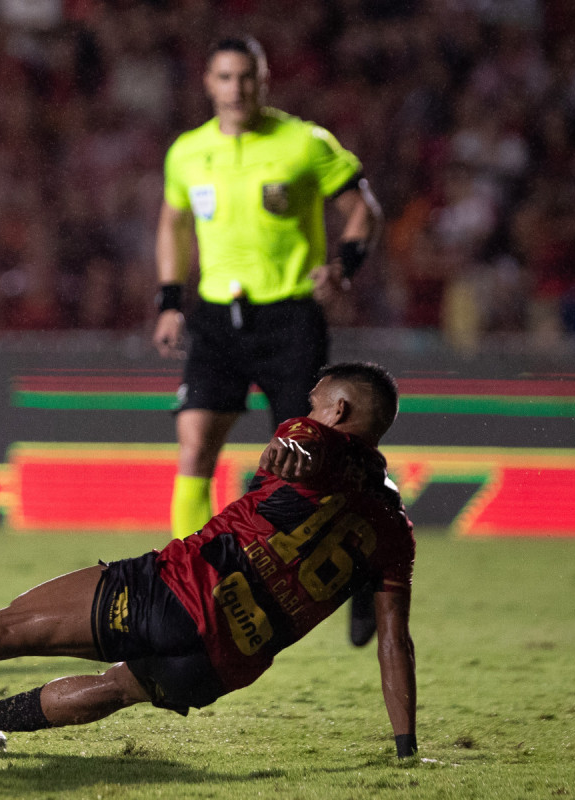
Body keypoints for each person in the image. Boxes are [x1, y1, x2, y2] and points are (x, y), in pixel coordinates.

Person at [0, 362, 418, 763]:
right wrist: (404, 745)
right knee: (121, 688)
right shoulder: (392, 531)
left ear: (337, 409)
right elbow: (394, 640)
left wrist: (291, 449)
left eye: (313, 403)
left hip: (176, 592)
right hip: (226, 662)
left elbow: (297, 447)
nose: (302, 412)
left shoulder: (311, 437)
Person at [151, 36, 384, 645]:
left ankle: (364, 572)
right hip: (215, 318)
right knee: (195, 444)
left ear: (265, 80)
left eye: (247, 78)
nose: (237, 89)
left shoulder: (304, 142)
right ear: (209, 81)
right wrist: (171, 301)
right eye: (226, 78)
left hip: (289, 317)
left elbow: (364, 209)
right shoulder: (188, 153)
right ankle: (189, 594)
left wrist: (344, 266)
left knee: (316, 460)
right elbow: (173, 224)